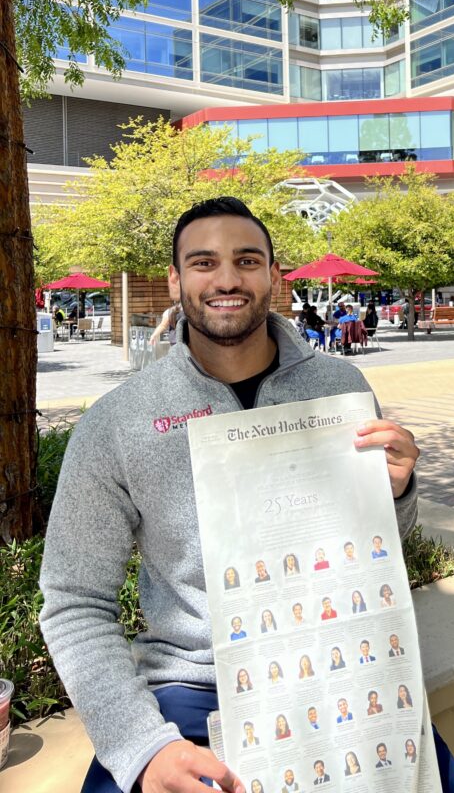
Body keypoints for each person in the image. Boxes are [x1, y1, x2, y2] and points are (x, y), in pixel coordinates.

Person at [40, 196, 419, 793]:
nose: (226, 279)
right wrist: (143, 748)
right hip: (192, 691)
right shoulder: (118, 423)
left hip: (343, 671)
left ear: (273, 275)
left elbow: (375, 555)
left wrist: (396, 493)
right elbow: (73, 601)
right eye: (203, 262)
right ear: (174, 279)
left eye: (246, 260)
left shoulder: (339, 387)